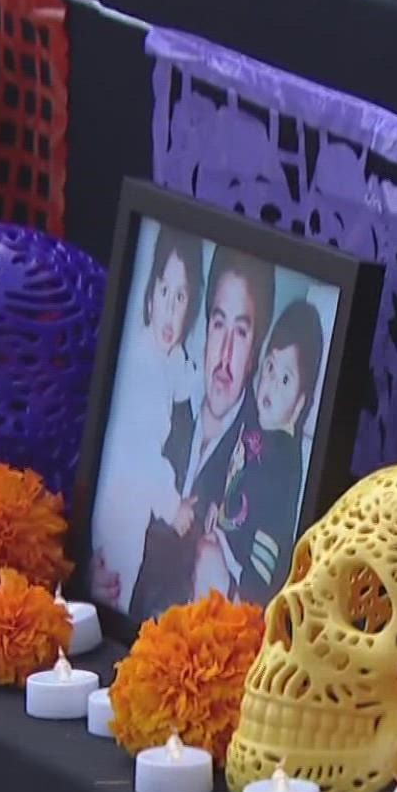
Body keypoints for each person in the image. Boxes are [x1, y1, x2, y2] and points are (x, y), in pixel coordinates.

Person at [93, 245, 276, 623]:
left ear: (255, 350)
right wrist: (87, 572)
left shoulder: (262, 463)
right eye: (218, 323)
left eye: (240, 333)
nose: (224, 353)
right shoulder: (165, 392)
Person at [89, 225, 203, 607]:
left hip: (133, 504)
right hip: (122, 500)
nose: (171, 307)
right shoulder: (142, 360)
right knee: (116, 576)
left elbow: (183, 379)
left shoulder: (167, 355)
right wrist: (173, 507)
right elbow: (141, 454)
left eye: (181, 296)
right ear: (150, 296)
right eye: (165, 291)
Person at [193, 300, 323, 605]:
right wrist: (211, 501)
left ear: (301, 402)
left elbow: (271, 546)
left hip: (245, 578)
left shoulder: (285, 462)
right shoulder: (252, 413)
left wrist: (244, 595)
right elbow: (223, 459)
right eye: (270, 367)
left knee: (206, 561)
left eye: (286, 380)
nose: (271, 386)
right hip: (222, 541)